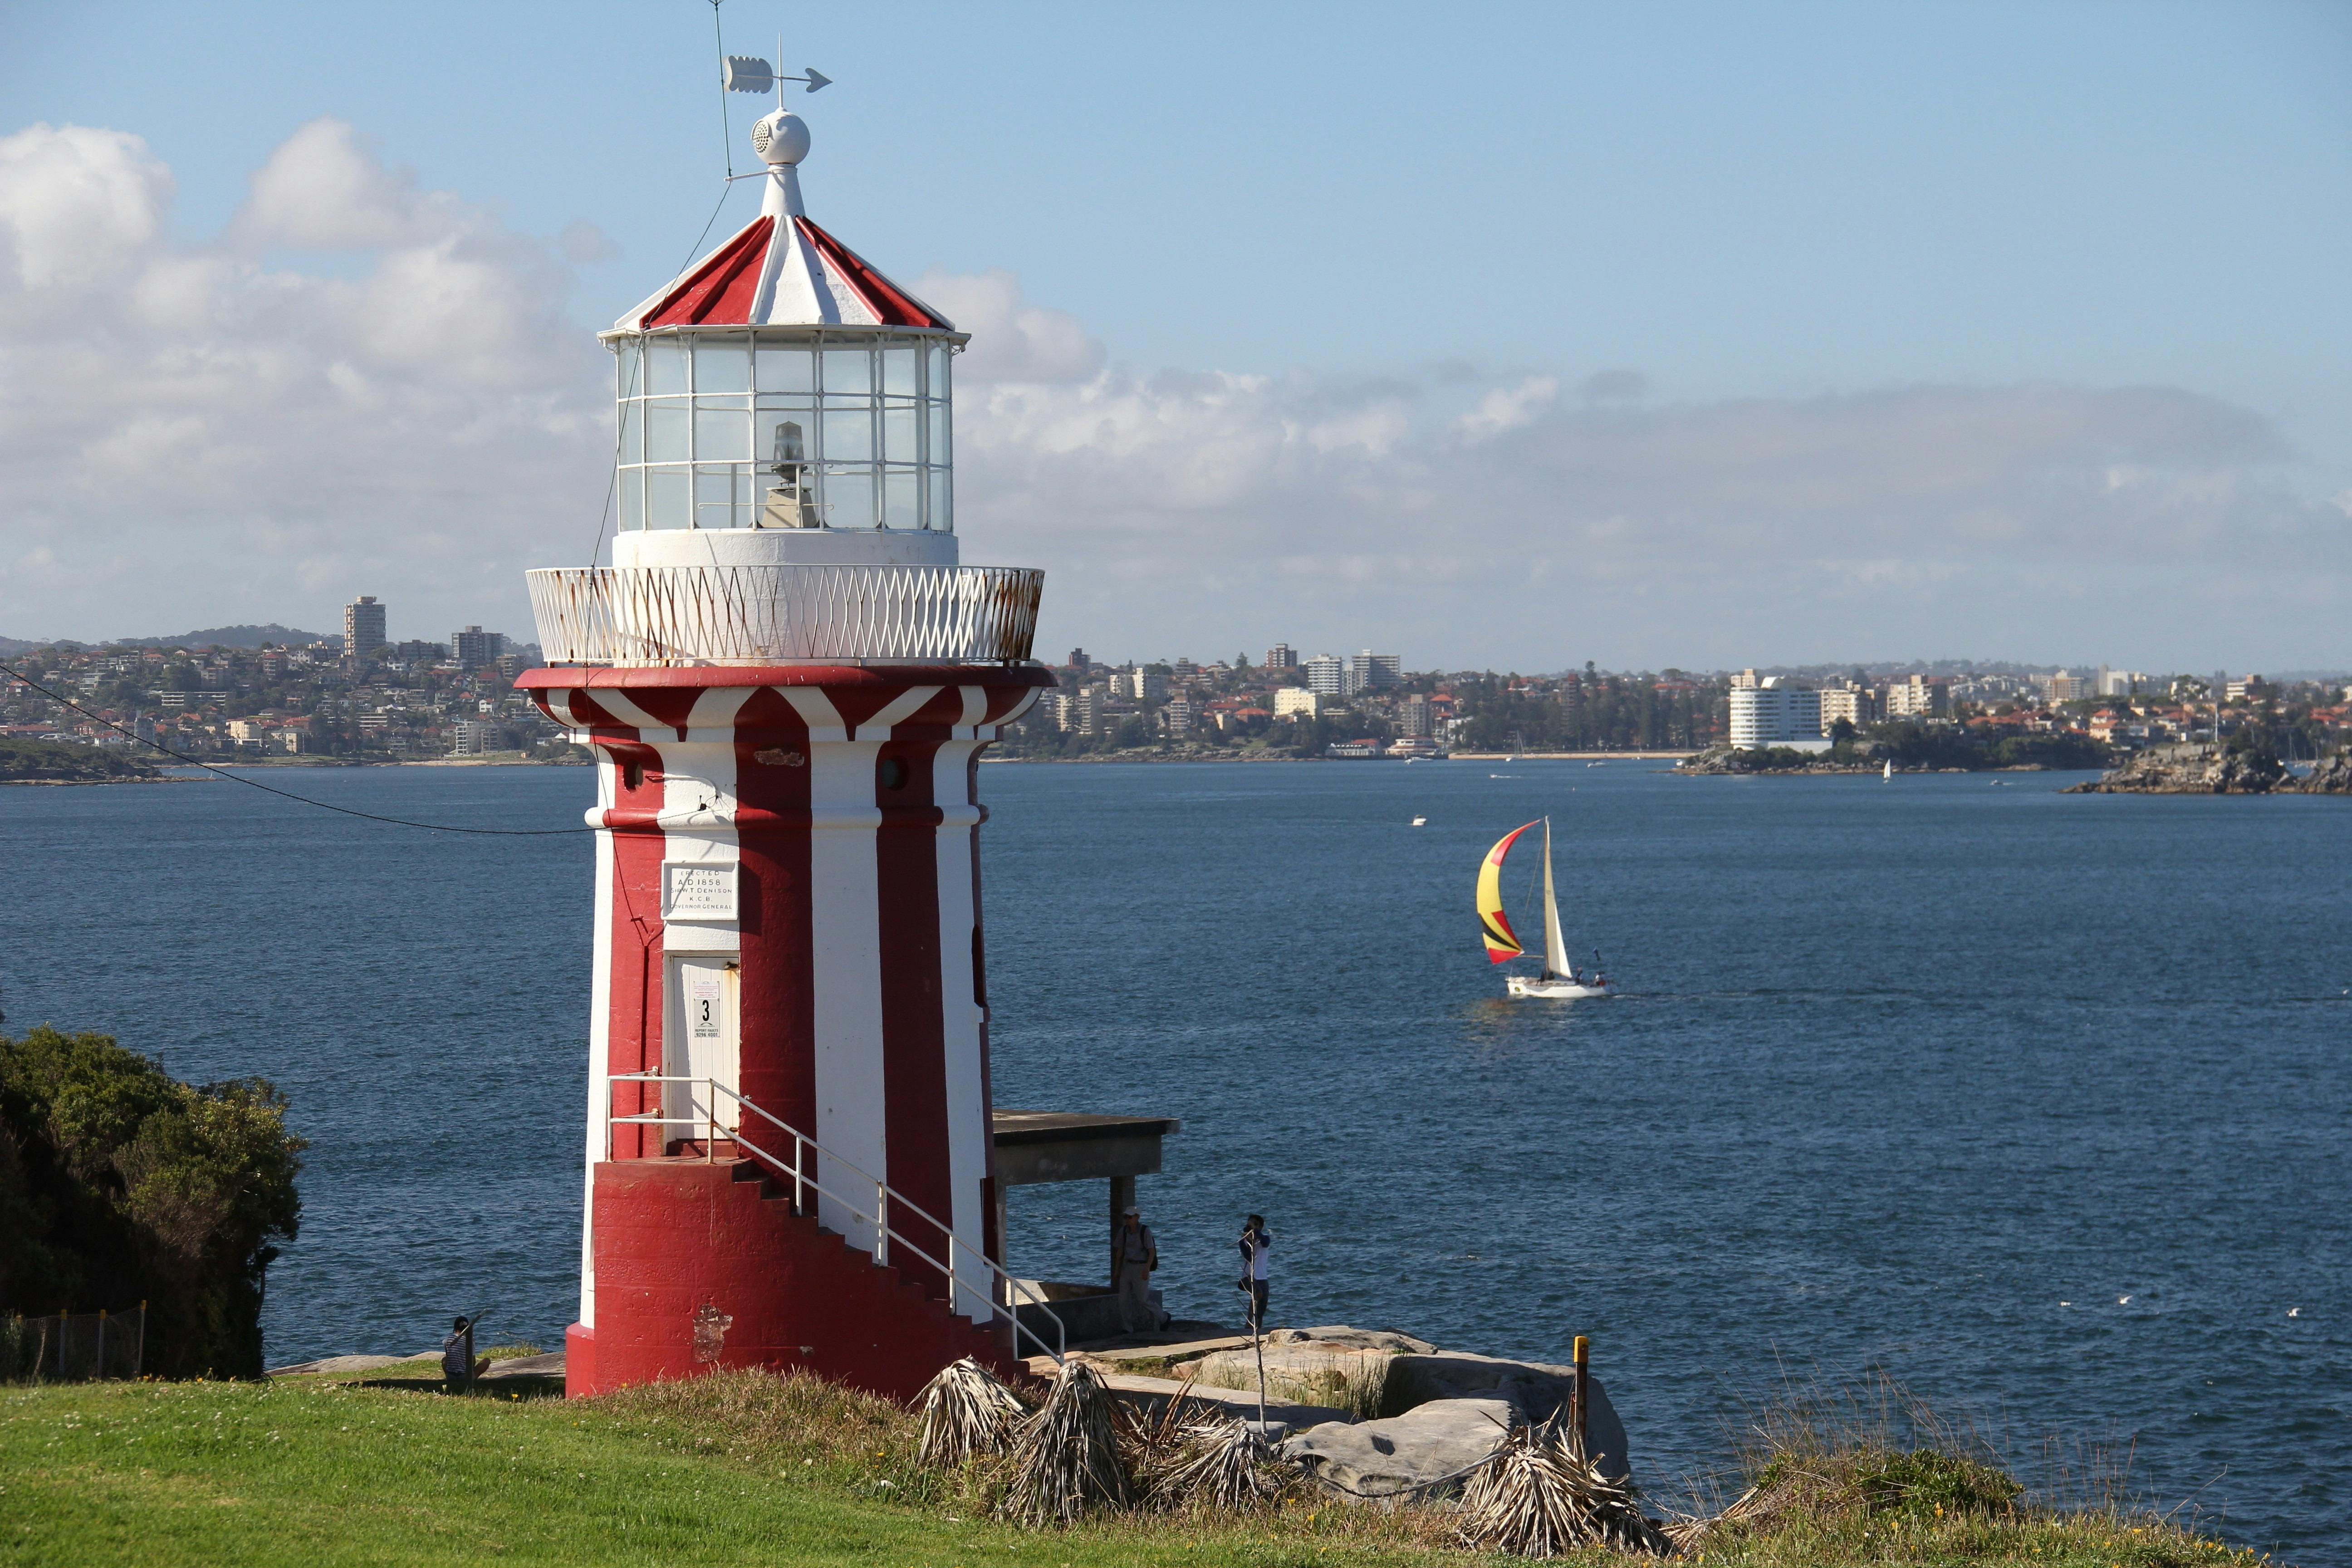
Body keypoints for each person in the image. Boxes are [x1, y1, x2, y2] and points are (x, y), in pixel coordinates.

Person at [1113, 1206, 1158, 1334]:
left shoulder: (1145, 1231)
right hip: (1127, 1267)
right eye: (1126, 1217)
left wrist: (1147, 1269)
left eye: (1130, 1217)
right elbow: (1120, 1251)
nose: (1128, 1220)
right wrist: (1117, 1270)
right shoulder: (1124, 1231)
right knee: (1123, 1299)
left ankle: (1163, 1317)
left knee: (1143, 1299)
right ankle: (1128, 1328)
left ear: (1137, 1217)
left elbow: (1152, 1252)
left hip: (1141, 1266)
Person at [1236, 1215, 1272, 1333]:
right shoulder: (1244, 1241)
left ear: (1260, 1227)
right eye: (1249, 1224)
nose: (1251, 1227)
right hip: (1248, 1276)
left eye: (1255, 1224)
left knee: (1262, 1305)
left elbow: (1265, 1243)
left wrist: (1256, 1232)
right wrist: (1247, 1241)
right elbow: (1249, 1257)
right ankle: (1249, 1322)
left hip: (1263, 1277)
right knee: (1258, 1293)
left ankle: (1258, 1329)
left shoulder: (1264, 1239)